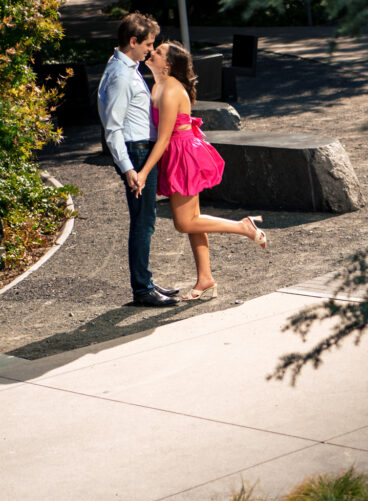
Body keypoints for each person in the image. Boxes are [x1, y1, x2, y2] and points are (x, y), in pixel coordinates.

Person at [134, 40, 267, 301]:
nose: (152, 52)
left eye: (158, 52)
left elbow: (162, 139)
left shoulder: (170, 90)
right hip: (178, 151)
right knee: (193, 219)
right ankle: (205, 278)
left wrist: (144, 172)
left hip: (182, 154)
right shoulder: (159, 84)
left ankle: (244, 227)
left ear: (168, 65)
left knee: (184, 222)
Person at [97, 12, 179, 306]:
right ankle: (142, 289)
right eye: (148, 43)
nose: (150, 49)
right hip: (137, 151)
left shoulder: (122, 65)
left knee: (145, 220)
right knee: (143, 222)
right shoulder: (120, 75)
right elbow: (113, 128)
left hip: (140, 149)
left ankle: (146, 282)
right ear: (133, 41)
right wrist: (130, 169)